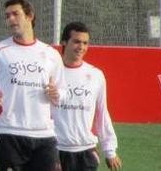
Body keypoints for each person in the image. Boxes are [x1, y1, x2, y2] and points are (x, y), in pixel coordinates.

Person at [0, 0, 65, 171]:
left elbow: (64, 92)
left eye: (16, 14)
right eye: (7, 16)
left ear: (30, 16)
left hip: (45, 135)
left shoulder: (51, 54)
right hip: (8, 133)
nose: (11, 19)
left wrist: (57, 94)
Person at [52, 22, 122, 171]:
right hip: (54, 151)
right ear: (64, 42)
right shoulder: (49, 72)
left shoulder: (96, 75)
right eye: (76, 42)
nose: (81, 47)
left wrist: (110, 150)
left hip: (86, 152)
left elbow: (102, 113)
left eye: (85, 43)